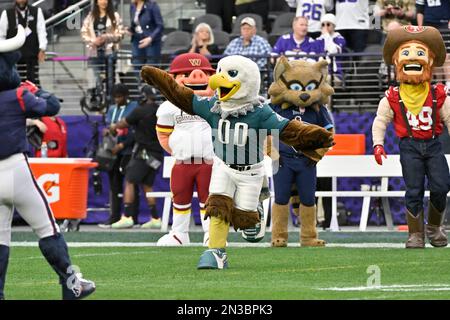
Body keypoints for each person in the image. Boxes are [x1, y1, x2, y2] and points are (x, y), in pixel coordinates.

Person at [141, 56, 334, 269]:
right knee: (217, 205)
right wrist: (158, 78)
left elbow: (287, 129)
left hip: (250, 172)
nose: (219, 79)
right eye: (221, 71)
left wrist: (317, 136)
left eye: (230, 74)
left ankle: (255, 212)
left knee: (247, 226)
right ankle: (215, 251)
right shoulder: (213, 107)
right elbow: (182, 97)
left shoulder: (260, 111)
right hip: (222, 167)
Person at [0, 27, 95, 300]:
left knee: (1, 238)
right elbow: (51, 107)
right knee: (47, 229)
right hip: (16, 170)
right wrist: (34, 90)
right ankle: (72, 283)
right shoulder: (17, 95)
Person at [372, 26, 450, 248]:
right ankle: (415, 233)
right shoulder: (392, 97)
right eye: (406, 53)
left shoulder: (438, 94)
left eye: (420, 52)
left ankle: (435, 227)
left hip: (433, 145)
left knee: (441, 185)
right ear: (397, 61)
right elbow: (380, 121)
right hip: (409, 146)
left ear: (430, 61)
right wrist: (378, 145)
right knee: (414, 189)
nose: (413, 57)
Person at [268, 57, 334, 247]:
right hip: (282, 160)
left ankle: (308, 236)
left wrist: (317, 153)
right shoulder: (275, 107)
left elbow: (328, 133)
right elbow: (262, 130)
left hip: (306, 160)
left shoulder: (318, 109)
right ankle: (278, 235)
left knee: (307, 197)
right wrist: (272, 153)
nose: (304, 94)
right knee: (280, 197)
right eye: (297, 87)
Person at [155, 53, 215, 246]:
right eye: (187, 73)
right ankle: (179, 233)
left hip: (209, 161)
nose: (196, 76)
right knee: (180, 196)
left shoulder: (217, 104)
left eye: (203, 73)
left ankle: (211, 233)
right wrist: (179, 150)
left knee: (209, 199)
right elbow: (163, 135)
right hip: (182, 162)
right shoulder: (168, 107)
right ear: (173, 79)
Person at [109, 86, 163, 229]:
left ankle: (127, 216)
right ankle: (156, 218)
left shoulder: (140, 110)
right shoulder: (160, 110)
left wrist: (113, 127)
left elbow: (124, 123)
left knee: (129, 180)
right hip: (158, 154)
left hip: (144, 152)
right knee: (147, 184)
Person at [99, 83, 138, 228]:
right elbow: (110, 125)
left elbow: (135, 129)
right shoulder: (111, 109)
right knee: (114, 185)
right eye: (115, 97)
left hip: (128, 150)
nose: (117, 100)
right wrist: (107, 131)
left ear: (126, 96)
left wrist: (123, 145)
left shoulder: (134, 107)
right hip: (112, 151)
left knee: (131, 183)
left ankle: (132, 216)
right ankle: (114, 216)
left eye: (120, 97)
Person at [81, 0, 124, 99]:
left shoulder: (115, 15)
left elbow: (120, 34)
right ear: (96, 2)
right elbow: (84, 33)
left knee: (110, 79)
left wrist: (106, 37)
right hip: (94, 52)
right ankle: (100, 102)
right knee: (97, 79)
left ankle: (110, 100)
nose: (103, 1)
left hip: (110, 52)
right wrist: (93, 41)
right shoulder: (90, 16)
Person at [0, 0, 47, 85]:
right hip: (13, 57)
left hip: (32, 55)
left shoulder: (36, 11)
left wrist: (42, 48)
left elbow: (41, 31)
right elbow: (1, 35)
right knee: (14, 83)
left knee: (33, 82)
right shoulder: (7, 12)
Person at [129, 0, 164, 68]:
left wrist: (150, 38)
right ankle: (139, 79)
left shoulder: (152, 5)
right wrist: (129, 30)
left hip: (151, 41)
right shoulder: (132, 6)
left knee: (151, 67)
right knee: (137, 64)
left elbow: (160, 26)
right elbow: (134, 24)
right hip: (137, 39)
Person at [315, 14, 346, 83]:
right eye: (323, 25)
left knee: (327, 80)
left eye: (328, 24)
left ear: (334, 26)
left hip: (336, 74)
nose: (325, 27)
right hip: (320, 73)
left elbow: (333, 51)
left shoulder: (339, 39)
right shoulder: (318, 40)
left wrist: (326, 35)